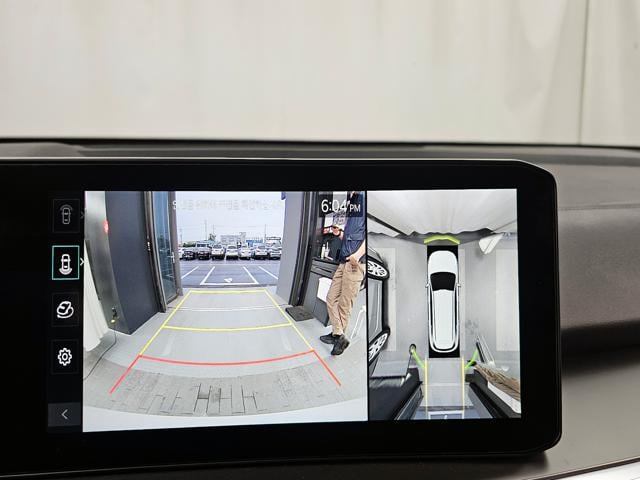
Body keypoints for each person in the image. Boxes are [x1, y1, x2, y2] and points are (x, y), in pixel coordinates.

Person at [320, 191, 366, 355]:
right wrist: (339, 234)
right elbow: (351, 237)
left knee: (344, 305)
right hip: (343, 262)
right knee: (330, 298)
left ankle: (338, 339)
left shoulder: (364, 198)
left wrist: (357, 255)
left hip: (355, 263)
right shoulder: (352, 202)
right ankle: (338, 334)